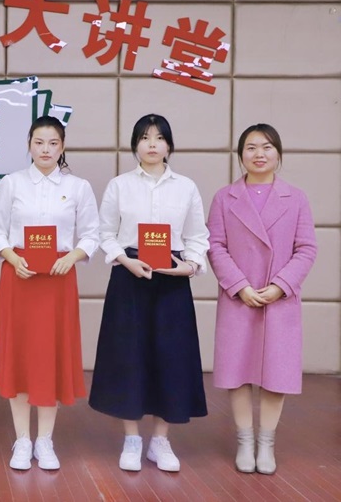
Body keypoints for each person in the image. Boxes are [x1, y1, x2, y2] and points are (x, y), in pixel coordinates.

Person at [89, 114, 209, 473]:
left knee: (170, 358)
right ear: (135, 145)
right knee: (128, 356)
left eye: (159, 137)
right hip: (130, 275)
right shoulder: (120, 186)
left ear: (169, 145)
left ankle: (160, 441)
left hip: (172, 278)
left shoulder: (186, 187)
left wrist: (190, 265)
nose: (152, 144)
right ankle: (131, 439)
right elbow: (105, 233)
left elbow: (197, 235)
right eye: (144, 137)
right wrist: (125, 261)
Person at [0, 115, 99, 471]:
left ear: (62, 146)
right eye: (39, 142)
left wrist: (72, 257)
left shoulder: (78, 187)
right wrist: (11, 257)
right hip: (19, 277)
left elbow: (92, 235)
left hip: (58, 279)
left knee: (51, 356)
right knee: (19, 356)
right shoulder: (12, 183)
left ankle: (45, 441)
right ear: (29, 145)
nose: (46, 149)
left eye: (53, 143)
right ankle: (22, 439)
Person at [207, 124, 316, 475]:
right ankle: (245, 440)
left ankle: (266, 443)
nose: (259, 154)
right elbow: (215, 246)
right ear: (240, 155)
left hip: (278, 300)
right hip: (240, 297)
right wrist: (239, 285)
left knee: (275, 373)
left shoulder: (296, 198)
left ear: (278, 154)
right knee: (238, 370)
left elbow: (306, 248)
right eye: (251, 147)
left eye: (267, 147)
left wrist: (281, 285)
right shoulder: (224, 198)